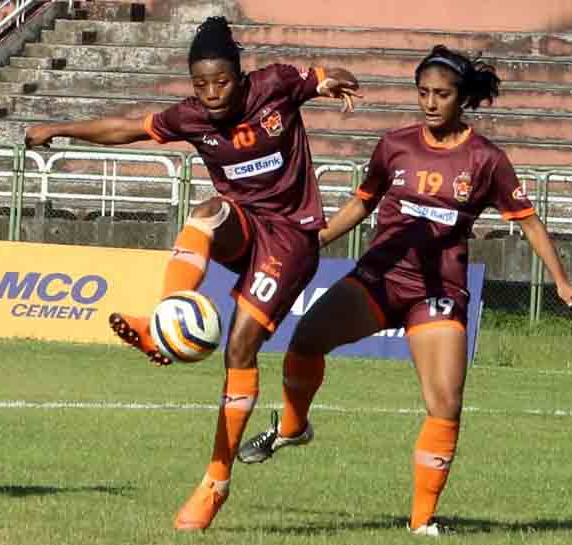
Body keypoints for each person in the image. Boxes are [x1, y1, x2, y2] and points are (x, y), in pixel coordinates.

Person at [25, 16, 361, 531]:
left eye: (221, 82)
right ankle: (165, 317)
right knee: (207, 209)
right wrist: (59, 128)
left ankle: (215, 483)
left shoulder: (275, 84)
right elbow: (128, 129)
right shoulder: (192, 117)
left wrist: (333, 76)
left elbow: (321, 75)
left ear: (240, 76)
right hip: (245, 228)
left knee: (239, 348)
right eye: (200, 84)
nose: (211, 94)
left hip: (291, 240)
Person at [236, 45, 572, 536]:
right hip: (380, 280)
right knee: (305, 341)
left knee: (445, 404)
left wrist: (560, 279)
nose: (429, 102)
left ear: (461, 98)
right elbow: (361, 205)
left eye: (440, 94)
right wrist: (315, 241)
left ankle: (421, 522)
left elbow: (528, 223)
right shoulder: (394, 145)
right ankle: (293, 427)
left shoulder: (486, 159)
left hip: (439, 293)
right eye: (422, 93)